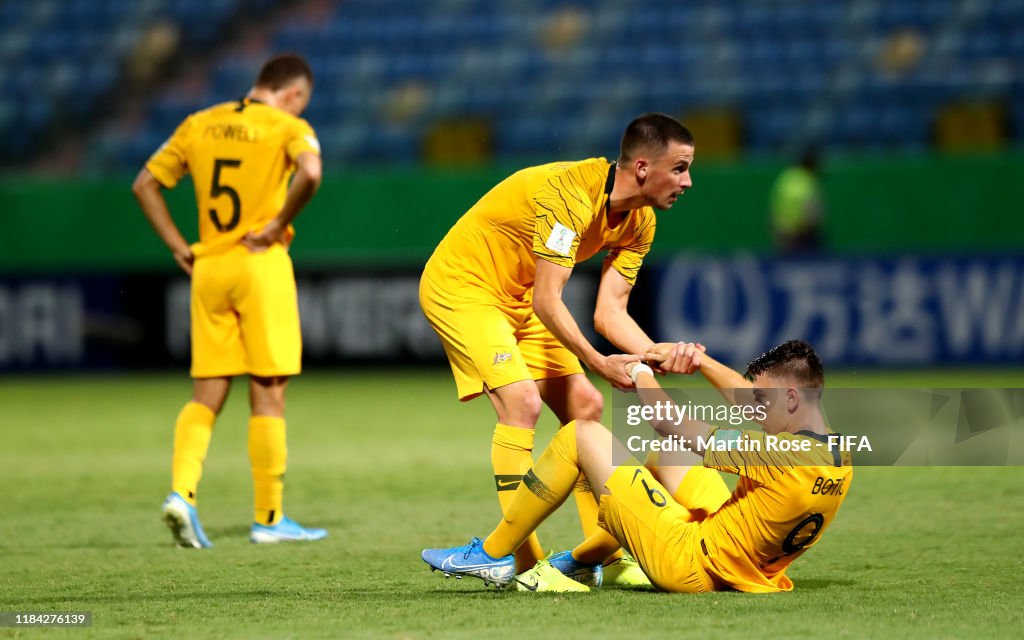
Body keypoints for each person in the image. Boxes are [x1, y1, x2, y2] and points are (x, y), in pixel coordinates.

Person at [419, 113, 697, 590]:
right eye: (680, 168)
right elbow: (549, 300)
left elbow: (610, 314)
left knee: (586, 407)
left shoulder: (640, 222)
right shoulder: (569, 196)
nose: (688, 181)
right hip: (465, 287)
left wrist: (656, 353)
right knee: (521, 403)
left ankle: (598, 557)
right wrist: (598, 360)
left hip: (520, 298)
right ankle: (518, 563)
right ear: (645, 168)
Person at [422, 340, 853, 593]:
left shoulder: (777, 456)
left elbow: (668, 422)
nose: (754, 407)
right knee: (670, 458)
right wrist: (699, 361)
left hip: (691, 563)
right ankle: (582, 561)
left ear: (792, 400)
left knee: (582, 434)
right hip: (748, 562)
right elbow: (753, 405)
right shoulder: (836, 451)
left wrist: (642, 371)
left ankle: (494, 556)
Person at [131, 54, 326, 548]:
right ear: (294, 94)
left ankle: (182, 494)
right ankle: (269, 518)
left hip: (208, 267)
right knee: (269, 388)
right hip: (259, 264)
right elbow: (310, 174)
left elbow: (145, 184)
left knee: (205, 395)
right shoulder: (288, 125)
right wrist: (278, 224)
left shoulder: (202, 123)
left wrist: (178, 245)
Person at [769, 147, 825, 254]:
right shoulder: (808, 182)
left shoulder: (786, 177)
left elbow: (773, 207)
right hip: (802, 237)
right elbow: (811, 213)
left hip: (782, 234)